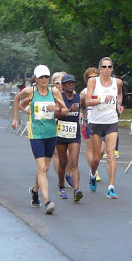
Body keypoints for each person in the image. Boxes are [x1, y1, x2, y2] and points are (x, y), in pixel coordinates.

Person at [12, 64, 68, 214]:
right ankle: (47, 201)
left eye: (46, 76)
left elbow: (64, 110)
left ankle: (35, 191)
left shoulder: (54, 91)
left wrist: (57, 109)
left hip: (51, 133)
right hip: (36, 134)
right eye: (41, 77)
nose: (44, 79)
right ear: (36, 78)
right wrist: (16, 118)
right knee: (42, 168)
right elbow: (17, 99)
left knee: (45, 168)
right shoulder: (31, 91)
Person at [85, 57, 124, 199]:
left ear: (112, 68)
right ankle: (93, 174)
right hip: (96, 122)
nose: (107, 69)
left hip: (111, 121)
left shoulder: (117, 82)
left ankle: (111, 187)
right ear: (100, 68)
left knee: (111, 153)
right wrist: (102, 99)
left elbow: (119, 93)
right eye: (104, 67)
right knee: (96, 157)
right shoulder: (93, 81)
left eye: (109, 67)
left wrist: (119, 104)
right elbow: (88, 101)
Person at [56, 74, 83, 202]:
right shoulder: (59, 98)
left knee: (74, 163)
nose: (70, 85)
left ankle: (77, 190)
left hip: (74, 133)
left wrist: (85, 120)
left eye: (72, 83)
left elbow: (86, 107)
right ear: (63, 86)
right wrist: (67, 110)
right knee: (62, 163)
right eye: (67, 83)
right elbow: (55, 113)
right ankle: (61, 187)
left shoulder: (79, 98)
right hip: (61, 133)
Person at [79, 67, 100, 183]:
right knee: (91, 148)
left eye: (95, 76)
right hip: (87, 122)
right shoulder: (84, 92)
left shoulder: (103, 90)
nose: (93, 79)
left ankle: (94, 165)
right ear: (87, 79)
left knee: (101, 149)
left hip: (101, 121)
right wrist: (82, 115)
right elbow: (80, 106)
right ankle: (94, 171)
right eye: (90, 77)